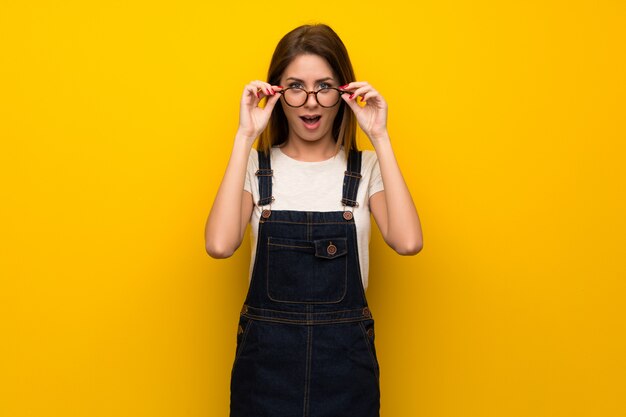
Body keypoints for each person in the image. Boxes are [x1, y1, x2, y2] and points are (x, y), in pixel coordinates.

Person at [205, 23, 422, 417]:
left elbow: (408, 242)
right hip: (265, 373)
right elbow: (220, 246)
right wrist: (244, 135)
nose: (310, 102)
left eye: (324, 86)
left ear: (344, 93)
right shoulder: (255, 166)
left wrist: (380, 136)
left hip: (345, 372)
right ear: (276, 93)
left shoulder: (367, 168)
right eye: (295, 86)